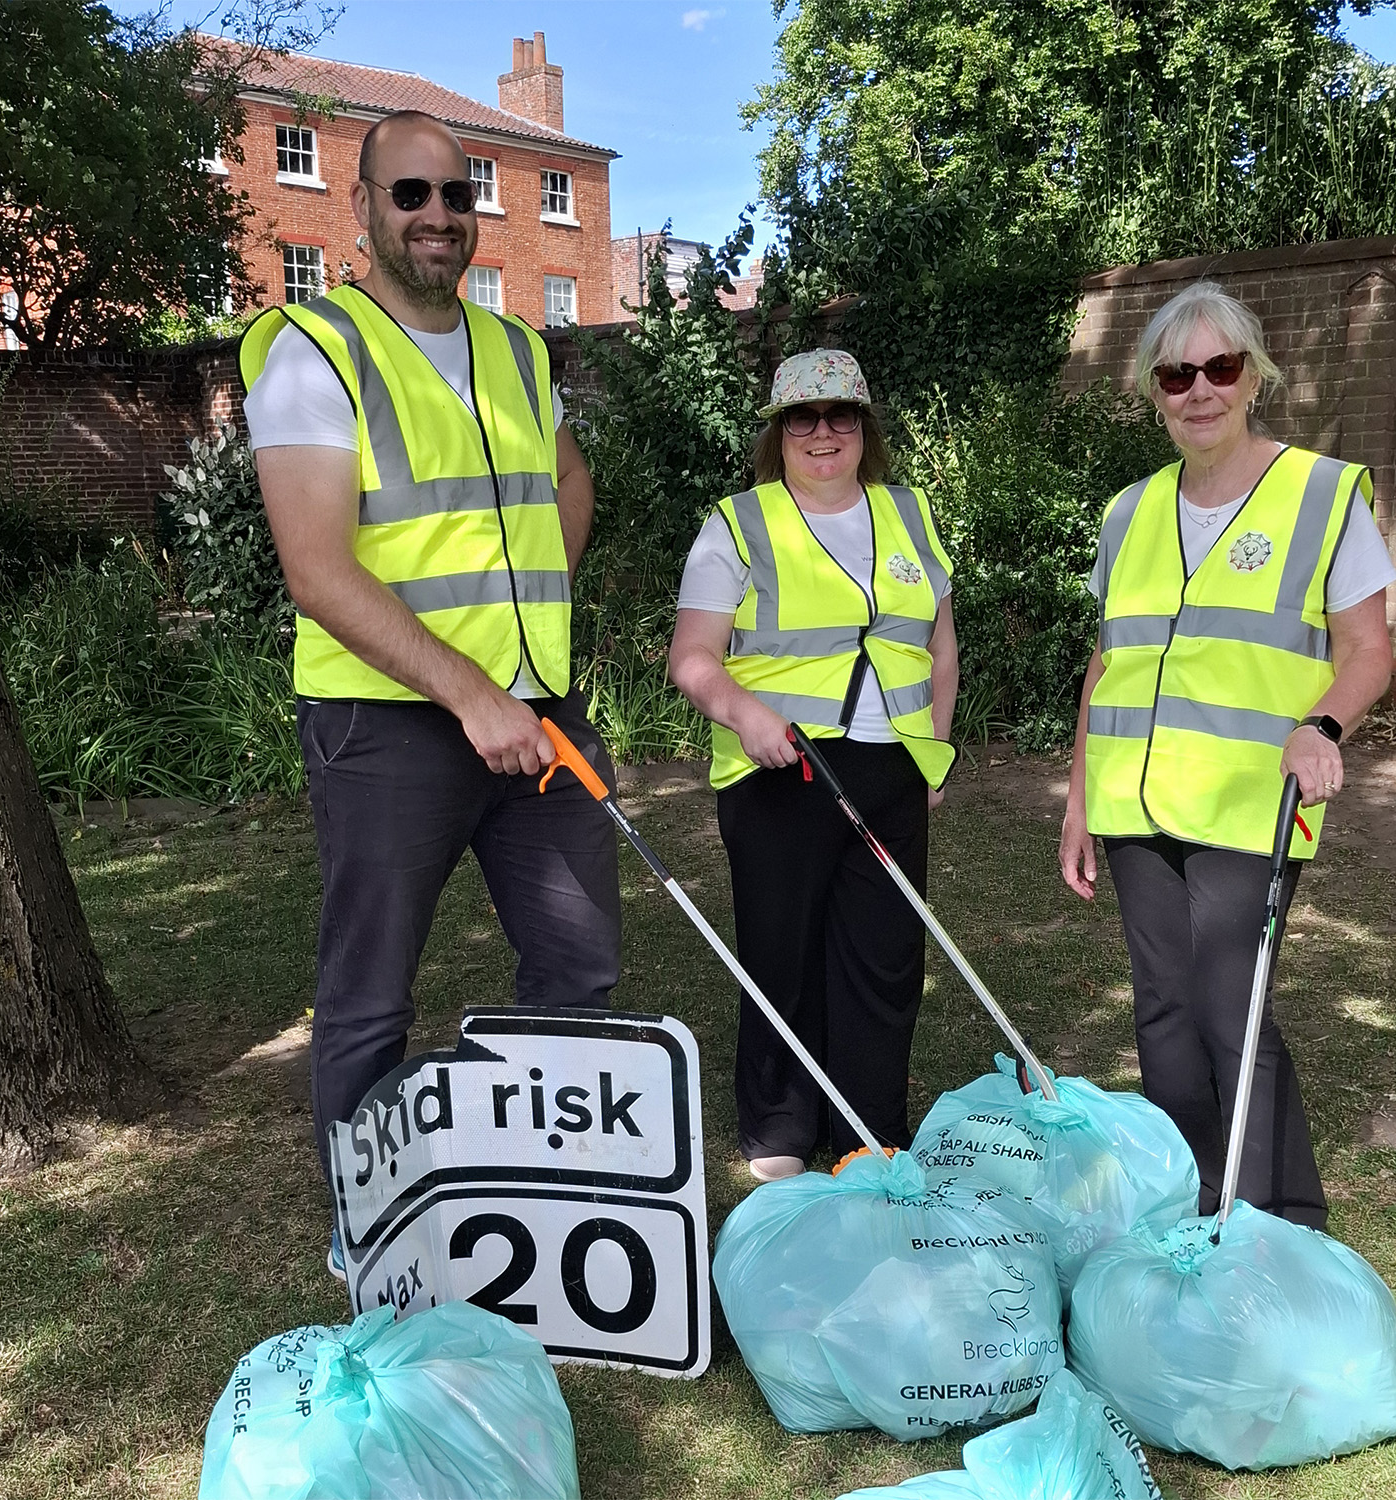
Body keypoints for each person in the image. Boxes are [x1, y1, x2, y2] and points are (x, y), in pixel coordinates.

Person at [239, 111, 621, 1276]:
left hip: (534, 709)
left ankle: (539, 1209)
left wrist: (525, 641)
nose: (437, 217)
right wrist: (470, 689)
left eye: (456, 195)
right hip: (387, 724)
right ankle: (372, 1237)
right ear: (361, 210)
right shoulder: (316, 350)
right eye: (410, 195)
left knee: (579, 968)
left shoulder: (516, 349)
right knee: (369, 999)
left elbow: (566, 477)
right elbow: (315, 569)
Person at [1058, 281, 1396, 1229]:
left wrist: (1322, 725)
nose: (1198, 389)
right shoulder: (1127, 513)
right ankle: (1190, 1208)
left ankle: (1283, 1226)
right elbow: (1108, 661)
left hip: (1254, 800)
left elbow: (1369, 652)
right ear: (1153, 388)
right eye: (1177, 373)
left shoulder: (1324, 494)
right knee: (1161, 1015)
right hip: (1132, 802)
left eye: (1219, 368)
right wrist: (1079, 799)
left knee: (1228, 1010)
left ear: (1253, 377)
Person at [669, 350, 959, 1180]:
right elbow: (693, 656)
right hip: (781, 773)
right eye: (804, 417)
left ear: (864, 429)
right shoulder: (737, 522)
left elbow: (940, 647)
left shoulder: (910, 512)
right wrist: (746, 715)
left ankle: (869, 1134)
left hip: (892, 767)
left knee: (885, 956)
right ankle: (780, 1135)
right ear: (779, 431)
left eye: (840, 415)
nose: (823, 432)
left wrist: (934, 752)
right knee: (781, 956)